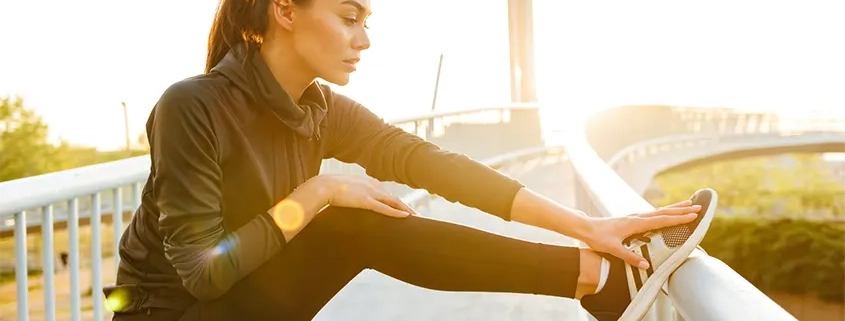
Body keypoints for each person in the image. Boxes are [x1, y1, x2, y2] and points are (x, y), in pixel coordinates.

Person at [105, 0, 716, 320]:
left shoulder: (320, 108)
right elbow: (202, 273)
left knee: (354, 218)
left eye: (367, 21)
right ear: (284, 10)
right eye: (349, 18)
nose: (364, 40)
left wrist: (586, 225)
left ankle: (598, 275)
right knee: (345, 221)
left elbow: (430, 163)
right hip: (176, 314)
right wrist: (317, 194)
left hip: (242, 306)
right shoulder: (192, 106)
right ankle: (599, 281)